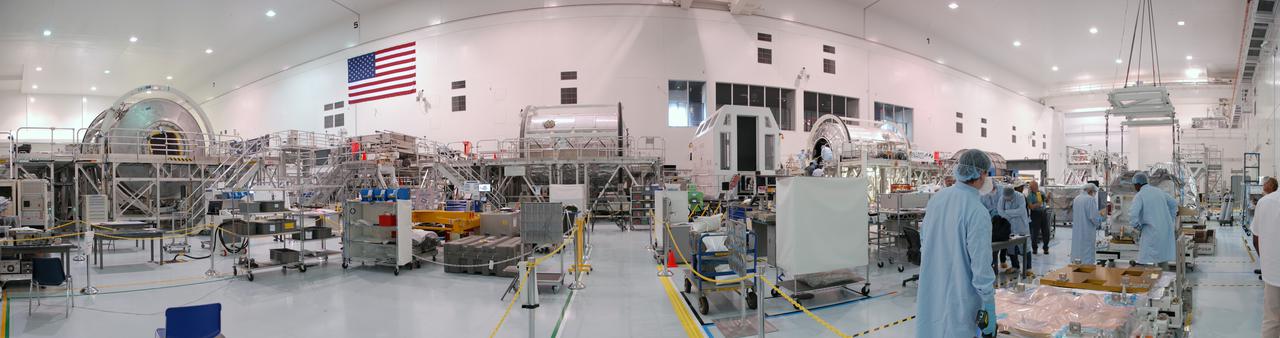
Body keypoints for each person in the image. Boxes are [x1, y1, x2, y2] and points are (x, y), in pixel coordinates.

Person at [916, 149, 996, 338]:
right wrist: (989, 304)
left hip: (932, 291)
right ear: (981, 173)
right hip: (960, 300)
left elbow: (924, 240)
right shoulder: (977, 211)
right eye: (987, 173)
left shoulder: (937, 199)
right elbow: (981, 265)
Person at [1128, 171, 1178, 266]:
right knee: (1162, 260)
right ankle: (1165, 279)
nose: (1134, 188)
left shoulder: (1140, 195)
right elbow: (1174, 204)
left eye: (1134, 185)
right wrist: (1170, 220)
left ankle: (1150, 279)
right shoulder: (1158, 191)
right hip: (1164, 231)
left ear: (1138, 184)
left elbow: (1133, 215)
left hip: (1150, 232)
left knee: (1147, 261)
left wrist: (1137, 226)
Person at [1257, 176, 1280, 337]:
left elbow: (1255, 238)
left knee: (1271, 320)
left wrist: (1265, 261)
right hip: (1272, 272)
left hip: (1273, 273)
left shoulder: (1264, 203)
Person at [1071, 183, 1108, 265]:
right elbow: (1093, 217)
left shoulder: (1077, 199)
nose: (1094, 194)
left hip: (1077, 231)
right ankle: (1087, 267)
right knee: (1087, 254)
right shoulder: (1090, 199)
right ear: (1090, 191)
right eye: (1094, 192)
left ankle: (1076, 263)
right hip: (1087, 231)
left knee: (1077, 250)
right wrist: (1100, 218)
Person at [997, 186, 1030, 272]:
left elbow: (1021, 210)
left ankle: (1028, 268)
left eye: (1009, 198)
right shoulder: (1002, 198)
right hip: (1010, 226)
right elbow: (1000, 211)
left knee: (1025, 247)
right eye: (1005, 198)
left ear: (1013, 194)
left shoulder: (1020, 197)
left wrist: (1007, 212)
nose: (1007, 200)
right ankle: (1015, 266)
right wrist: (1010, 213)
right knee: (1011, 247)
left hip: (1021, 225)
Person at [1026, 181, 1052, 254]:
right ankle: (1034, 248)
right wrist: (1038, 204)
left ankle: (1046, 248)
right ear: (1031, 188)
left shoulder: (1040, 193)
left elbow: (1045, 201)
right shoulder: (1030, 196)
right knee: (1035, 232)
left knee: (1046, 231)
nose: (1036, 188)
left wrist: (1048, 197)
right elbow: (1031, 207)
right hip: (1035, 214)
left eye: (1037, 186)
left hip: (1043, 213)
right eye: (1034, 187)